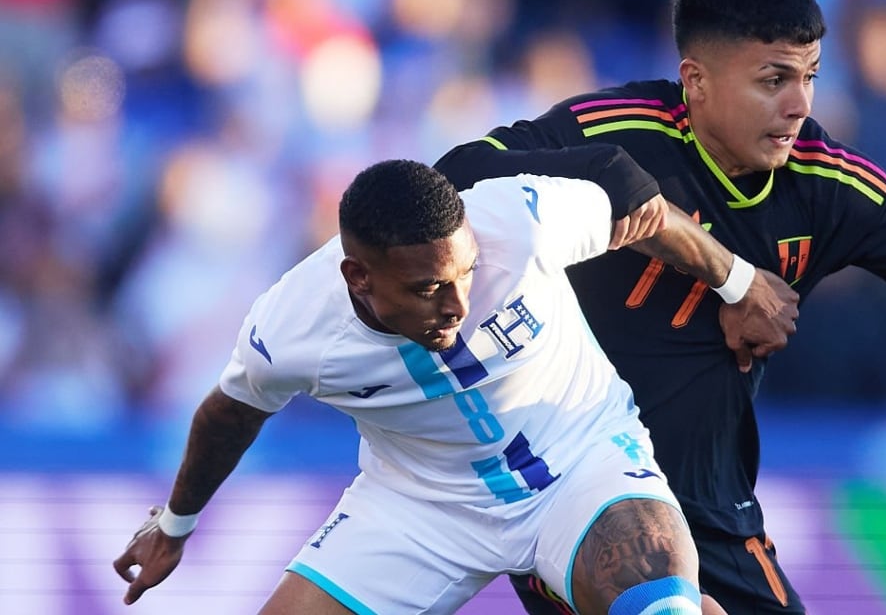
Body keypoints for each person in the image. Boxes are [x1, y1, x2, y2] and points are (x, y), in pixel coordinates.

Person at [434, 0, 886, 614]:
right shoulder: (617, 133)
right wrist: (612, 178)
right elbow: (455, 174)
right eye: (773, 79)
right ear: (696, 81)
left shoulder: (830, 185)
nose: (799, 104)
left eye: (809, 76)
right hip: (571, 491)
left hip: (711, 508)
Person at [111, 159, 795, 614]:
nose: (457, 302)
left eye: (465, 273)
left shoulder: (518, 218)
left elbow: (644, 210)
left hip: (582, 460)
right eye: (428, 287)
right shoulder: (290, 327)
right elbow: (228, 416)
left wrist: (737, 281)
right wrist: (175, 525)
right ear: (359, 279)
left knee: (657, 597)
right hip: (420, 505)